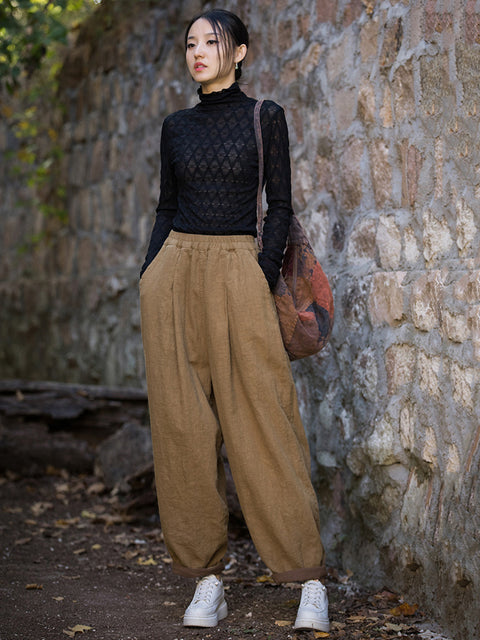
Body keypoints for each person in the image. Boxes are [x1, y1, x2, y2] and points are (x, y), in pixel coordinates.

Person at [139, 8, 329, 632]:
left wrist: (259, 269)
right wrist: (150, 276)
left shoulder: (264, 117)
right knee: (184, 430)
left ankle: (306, 580)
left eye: (210, 42)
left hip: (239, 270)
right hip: (176, 274)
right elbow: (166, 206)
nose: (197, 51)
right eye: (189, 43)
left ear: (239, 51)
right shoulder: (175, 127)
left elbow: (280, 206)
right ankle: (207, 580)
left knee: (265, 420)